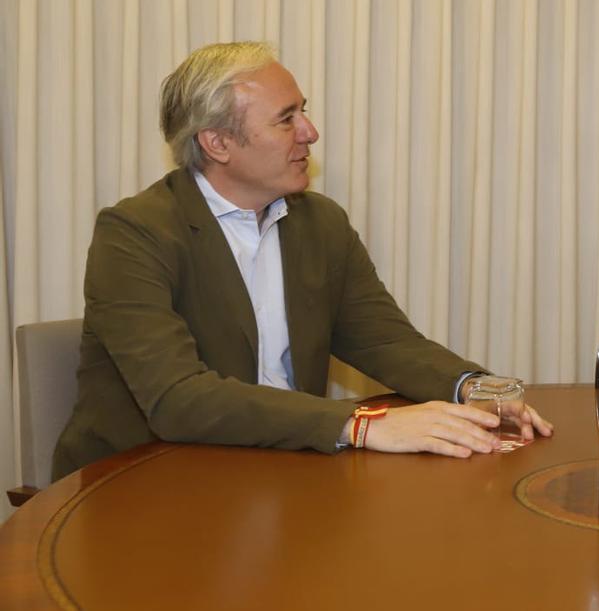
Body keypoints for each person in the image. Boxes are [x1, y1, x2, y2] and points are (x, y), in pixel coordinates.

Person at [53, 42, 552, 479]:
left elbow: (384, 340)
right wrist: (358, 425)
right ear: (218, 143)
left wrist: (476, 388)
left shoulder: (320, 223)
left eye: (303, 112)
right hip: (145, 484)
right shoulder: (134, 233)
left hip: (282, 470)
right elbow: (178, 399)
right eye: (286, 118)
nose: (310, 132)